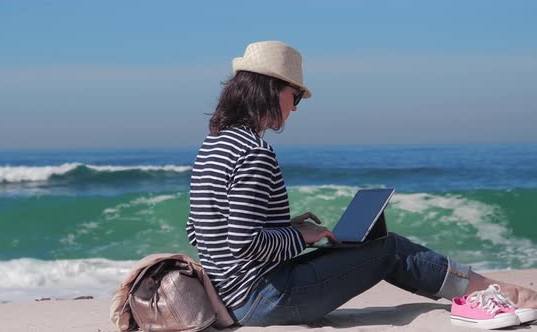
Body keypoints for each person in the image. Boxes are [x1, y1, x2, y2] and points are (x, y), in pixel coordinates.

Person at [185, 40, 537, 327]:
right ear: (271, 90)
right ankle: (497, 293)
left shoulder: (212, 146)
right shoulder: (253, 152)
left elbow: (198, 231)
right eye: (295, 96)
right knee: (390, 249)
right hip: (262, 299)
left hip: (230, 297)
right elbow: (243, 244)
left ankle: (485, 289)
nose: (294, 109)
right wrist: (301, 236)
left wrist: (282, 227)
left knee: (369, 245)